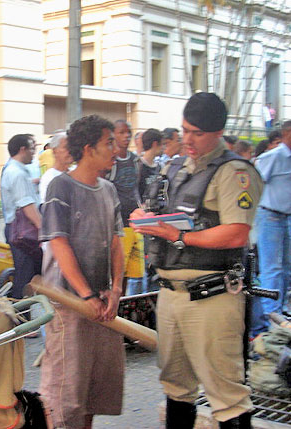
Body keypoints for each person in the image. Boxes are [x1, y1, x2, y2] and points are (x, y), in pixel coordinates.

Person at [130, 92, 262, 428]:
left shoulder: (234, 172)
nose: (187, 139)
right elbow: (169, 213)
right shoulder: (177, 167)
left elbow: (236, 233)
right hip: (171, 292)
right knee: (176, 387)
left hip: (212, 296)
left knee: (226, 395)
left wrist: (178, 236)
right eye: (185, 130)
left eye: (197, 133)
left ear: (218, 132)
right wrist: (146, 217)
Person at [40, 115, 125, 429]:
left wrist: (115, 290)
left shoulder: (109, 190)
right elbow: (59, 245)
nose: (116, 149)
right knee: (64, 397)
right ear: (89, 148)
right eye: (109, 143)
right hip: (69, 306)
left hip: (102, 304)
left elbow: (118, 242)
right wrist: (85, 294)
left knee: (93, 394)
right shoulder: (60, 186)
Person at [250, 120, 291, 337]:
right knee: (272, 268)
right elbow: (254, 182)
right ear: (286, 134)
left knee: (286, 267)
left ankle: (280, 310)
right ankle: (269, 315)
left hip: (287, 218)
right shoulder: (274, 157)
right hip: (270, 215)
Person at [0, 134, 42, 300]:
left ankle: (22, 317)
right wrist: (43, 230)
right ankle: (21, 319)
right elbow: (28, 207)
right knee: (25, 278)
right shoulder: (17, 173)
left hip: (16, 230)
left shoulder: (13, 169)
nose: (34, 153)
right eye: (32, 149)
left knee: (26, 275)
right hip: (21, 233)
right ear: (22, 149)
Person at [107, 120, 143, 295]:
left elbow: (136, 187)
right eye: (121, 132)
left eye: (128, 132)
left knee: (129, 270)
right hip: (116, 222)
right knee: (115, 270)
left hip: (132, 220)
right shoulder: (110, 161)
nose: (126, 136)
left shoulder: (135, 160)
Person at [39, 130, 73, 203]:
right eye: (66, 147)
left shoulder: (76, 173)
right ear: (54, 151)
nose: (70, 151)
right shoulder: (49, 177)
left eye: (72, 147)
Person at [138, 128, 163, 199]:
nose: (163, 148)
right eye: (162, 144)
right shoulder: (138, 166)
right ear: (155, 144)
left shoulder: (160, 167)